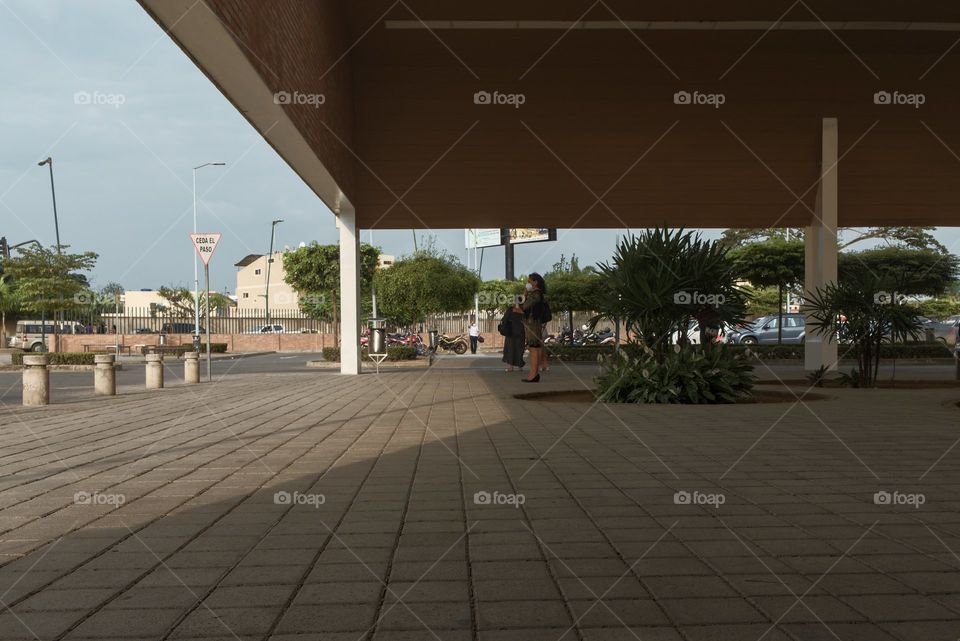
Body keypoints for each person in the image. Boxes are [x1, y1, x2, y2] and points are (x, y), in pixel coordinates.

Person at [515, 272, 546, 382]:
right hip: (534, 323)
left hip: (532, 324)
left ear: (535, 282)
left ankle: (533, 374)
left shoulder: (535, 294)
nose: (527, 284)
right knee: (535, 348)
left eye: (529, 281)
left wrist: (524, 293)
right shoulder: (538, 293)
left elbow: (522, 307)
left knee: (533, 348)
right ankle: (534, 374)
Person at [500, 303, 525, 372]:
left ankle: (511, 367)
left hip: (511, 333)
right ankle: (520, 366)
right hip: (521, 332)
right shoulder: (523, 310)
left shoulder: (510, 310)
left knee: (510, 349)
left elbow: (504, 320)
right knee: (520, 349)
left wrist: (503, 329)